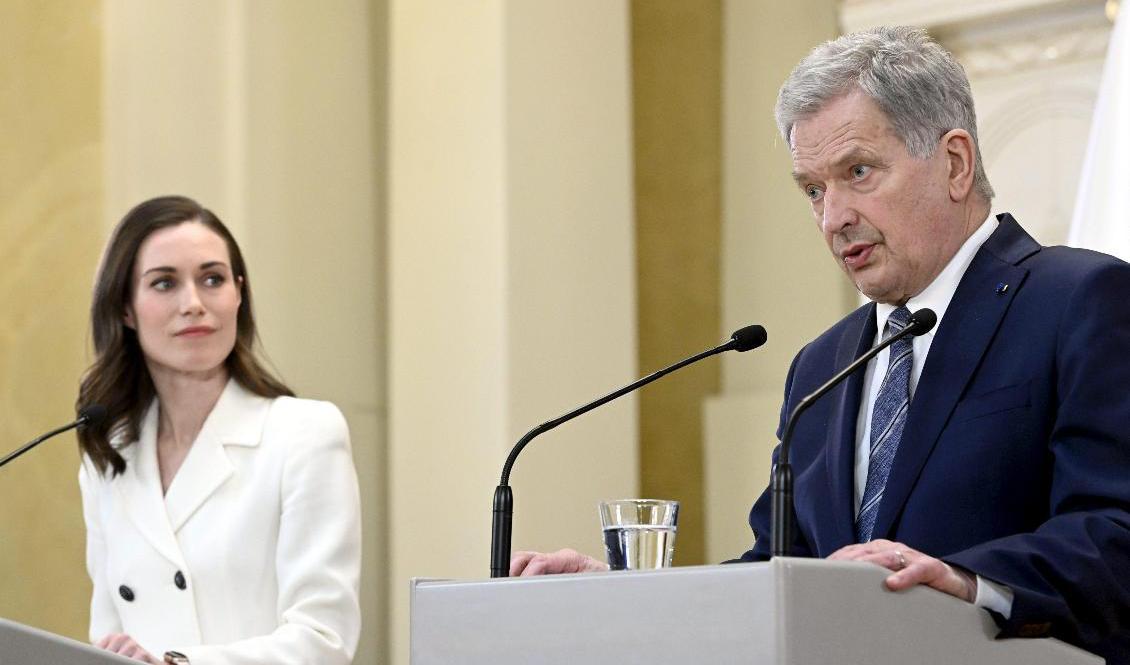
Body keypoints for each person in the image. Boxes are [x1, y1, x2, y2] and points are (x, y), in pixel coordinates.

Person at [510, 27, 1130, 662]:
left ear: (954, 163)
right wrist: (625, 597)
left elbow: (1116, 530)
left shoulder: (1080, 300)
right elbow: (779, 574)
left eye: (857, 172)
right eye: (813, 189)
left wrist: (969, 583)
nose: (833, 218)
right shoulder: (821, 367)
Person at [76, 196, 362, 665]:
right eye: (164, 283)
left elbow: (323, 638)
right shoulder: (108, 458)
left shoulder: (305, 434)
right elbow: (107, 635)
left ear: (238, 294)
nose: (194, 304)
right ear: (125, 308)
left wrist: (177, 663)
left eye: (212, 279)